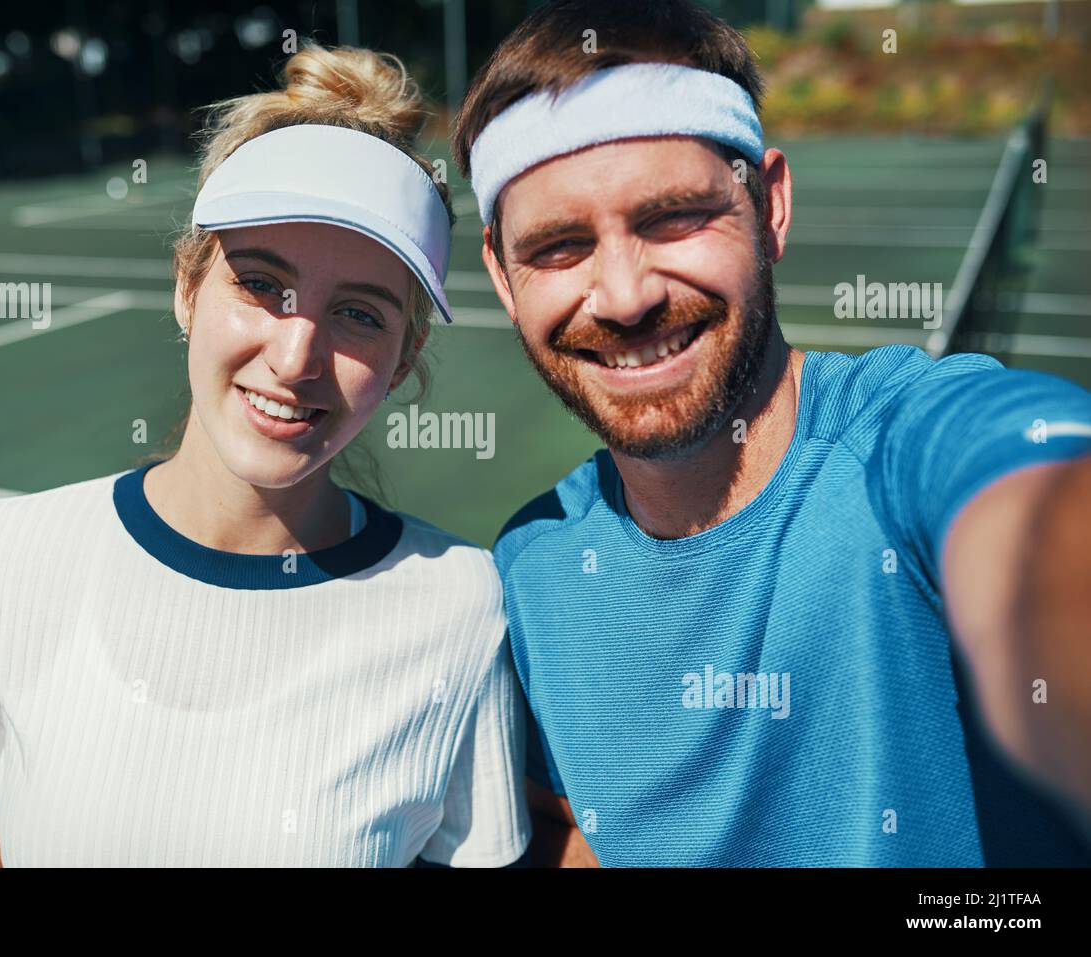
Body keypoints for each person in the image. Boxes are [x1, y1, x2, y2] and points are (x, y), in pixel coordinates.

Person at [452, 0, 1091, 866]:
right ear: (499, 270)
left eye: (672, 215)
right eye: (559, 245)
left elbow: (1033, 506)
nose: (625, 294)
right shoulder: (530, 565)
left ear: (772, 204)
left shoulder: (904, 443)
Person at [0, 41, 531, 867]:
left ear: (403, 360)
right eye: (261, 284)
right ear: (186, 286)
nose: (295, 355)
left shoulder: (462, 607)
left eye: (359, 314)